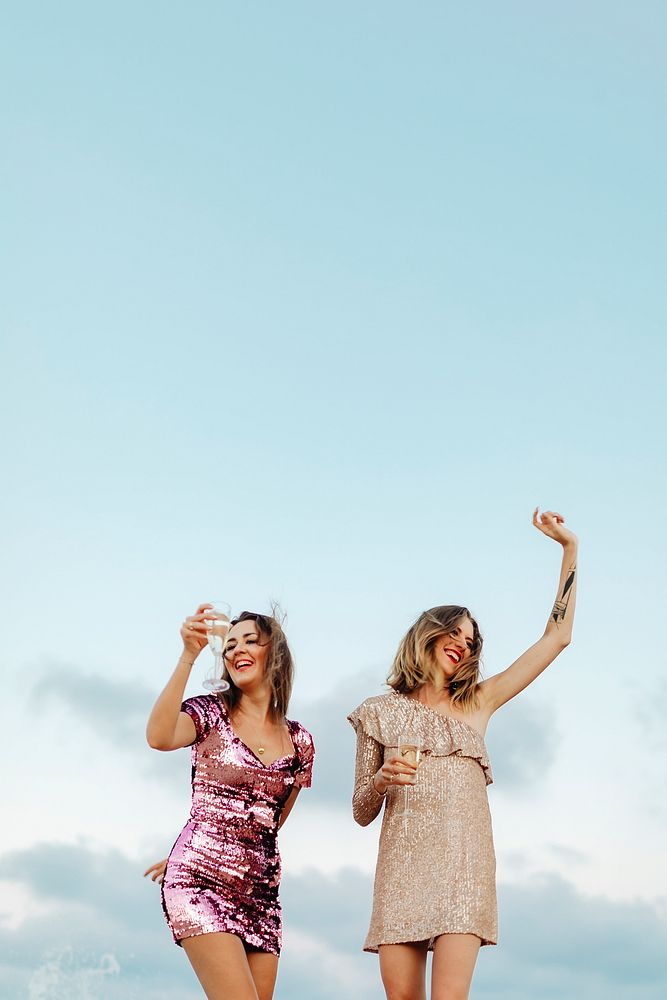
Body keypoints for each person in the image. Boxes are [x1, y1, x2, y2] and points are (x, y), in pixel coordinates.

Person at [348, 508, 578, 1000]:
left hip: (463, 870)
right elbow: (361, 810)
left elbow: (557, 637)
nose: (461, 644)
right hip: (401, 871)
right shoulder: (377, 712)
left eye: (470, 641)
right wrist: (383, 779)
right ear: (428, 633)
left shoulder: (479, 703)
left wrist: (569, 550)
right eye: (454, 633)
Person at [145, 605, 315, 1000]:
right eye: (230, 644)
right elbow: (159, 736)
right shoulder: (209, 712)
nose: (237, 649)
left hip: (260, 892)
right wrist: (189, 655)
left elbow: (269, 822)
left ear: (275, 653)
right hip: (200, 881)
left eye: (251, 641)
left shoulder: (301, 741)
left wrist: (229, 847)